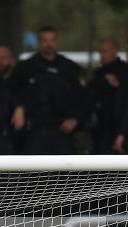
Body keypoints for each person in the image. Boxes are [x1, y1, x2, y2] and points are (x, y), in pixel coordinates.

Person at [9, 26, 82, 154]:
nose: (49, 44)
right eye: (44, 40)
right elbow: (9, 90)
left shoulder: (69, 68)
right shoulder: (25, 67)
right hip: (34, 131)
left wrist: (76, 118)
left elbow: (82, 97)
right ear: (38, 43)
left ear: (57, 42)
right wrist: (18, 107)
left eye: (52, 40)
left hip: (63, 130)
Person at [88, 38, 128, 154]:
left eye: (105, 52)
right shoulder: (98, 73)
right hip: (99, 129)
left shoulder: (125, 71)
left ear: (115, 51)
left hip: (116, 127)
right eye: (100, 52)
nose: (102, 55)